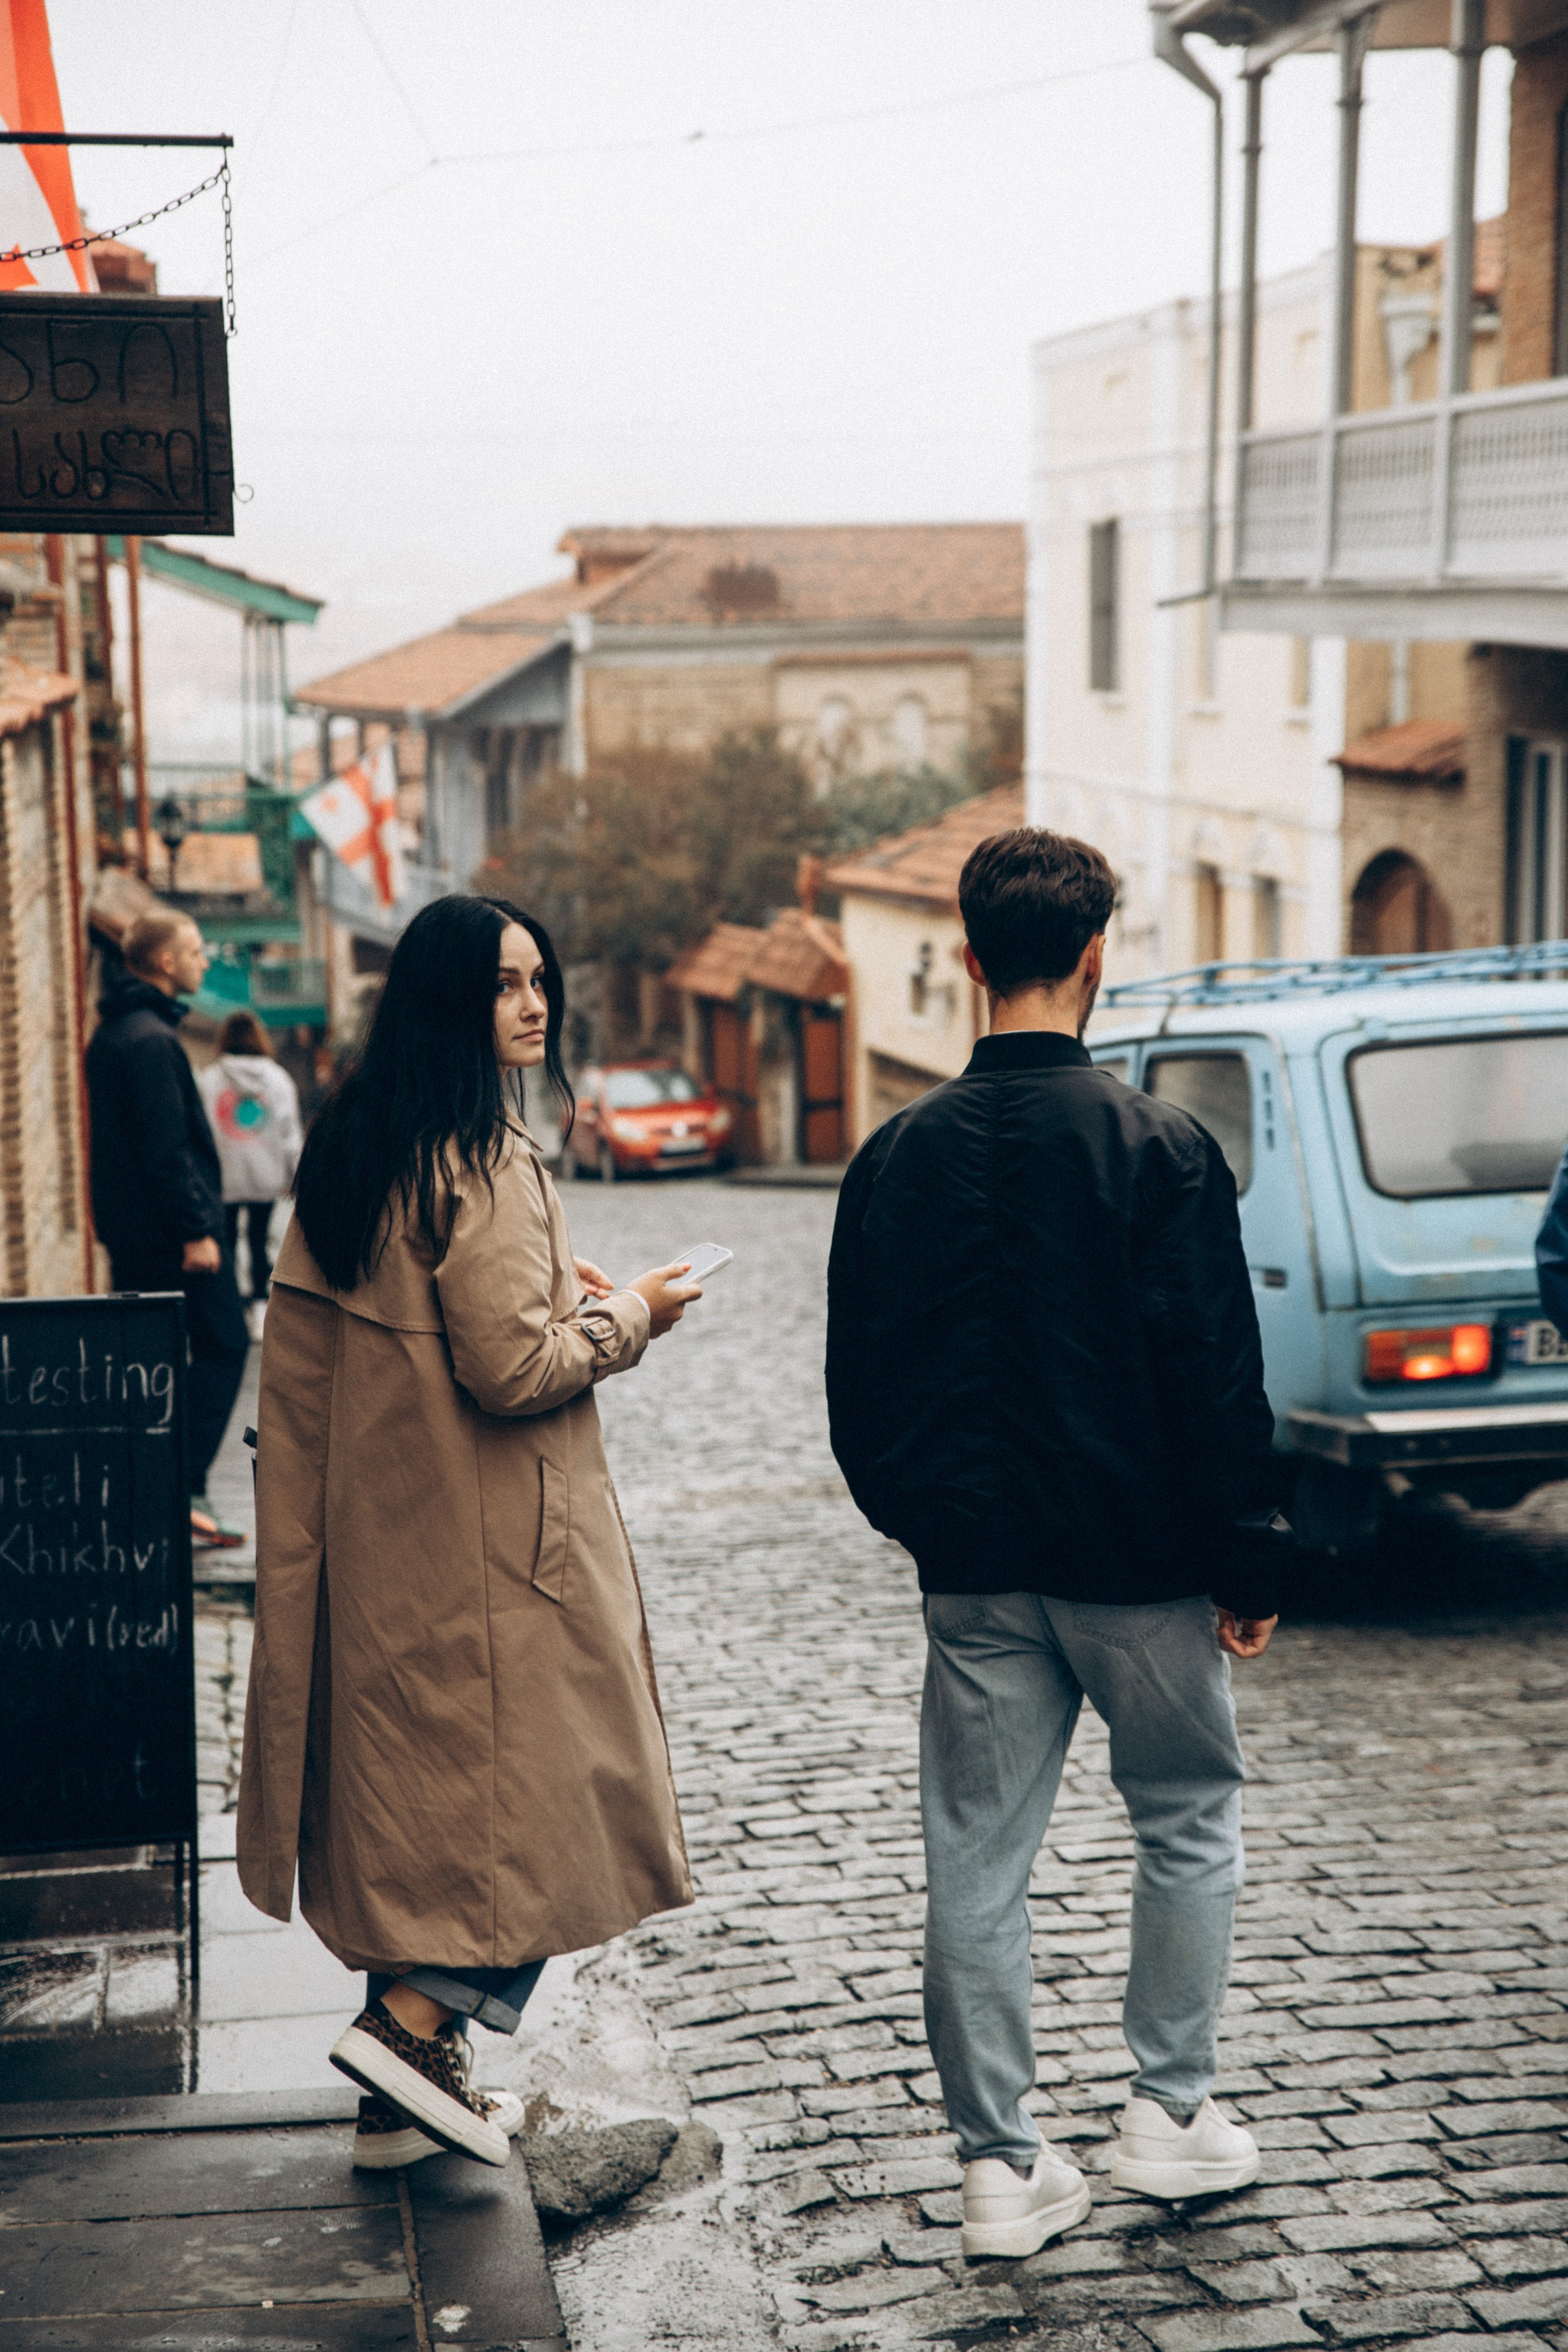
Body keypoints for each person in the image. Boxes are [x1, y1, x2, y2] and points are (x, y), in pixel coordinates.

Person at [826, 827, 1290, 2261]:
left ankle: (997, 2168)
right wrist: (1247, 1553)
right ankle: (1164, 2115)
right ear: (1097, 955)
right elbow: (1213, 1372)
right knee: (1186, 1815)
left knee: (973, 1856)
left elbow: (860, 1391)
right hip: (1138, 1562)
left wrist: (927, 1520)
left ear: (966, 959)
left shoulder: (892, 1155)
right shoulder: (1159, 1145)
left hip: (972, 1571)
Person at [236, 894, 700, 2171]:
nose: (533, 1003)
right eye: (504, 983)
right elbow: (511, 1371)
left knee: (416, 1824)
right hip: (496, 1559)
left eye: (539, 978)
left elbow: (431, 1335)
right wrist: (638, 1315)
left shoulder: (355, 1150)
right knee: (548, 1818)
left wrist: (565, 1290)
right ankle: (406, 2027)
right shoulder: (483, 1163)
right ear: (450, 999)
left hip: (382, 1545)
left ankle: (400, 2099)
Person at [84, 910, 249, 1549]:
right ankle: (183, 1487)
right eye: (195, 952)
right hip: (168, 1238)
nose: (204, 960)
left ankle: (161, 1491)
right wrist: (196, 1230)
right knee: (225, 1344)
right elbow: (164, 1148)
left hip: (135, 1235)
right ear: (164, 964)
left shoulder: (118, 1031)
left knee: (156, 1361)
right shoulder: (150, 1039)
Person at [197, 1009, 304, 1330]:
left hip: (224, 1178)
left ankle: (231, 1305)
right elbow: (290, 1133)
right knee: (259, 1241)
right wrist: (293, 1175)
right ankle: (259, 1306)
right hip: (265, 1175)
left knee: (226, 1242)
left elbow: (200, 1132)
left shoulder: (210, 1079)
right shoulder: (278, 1079)